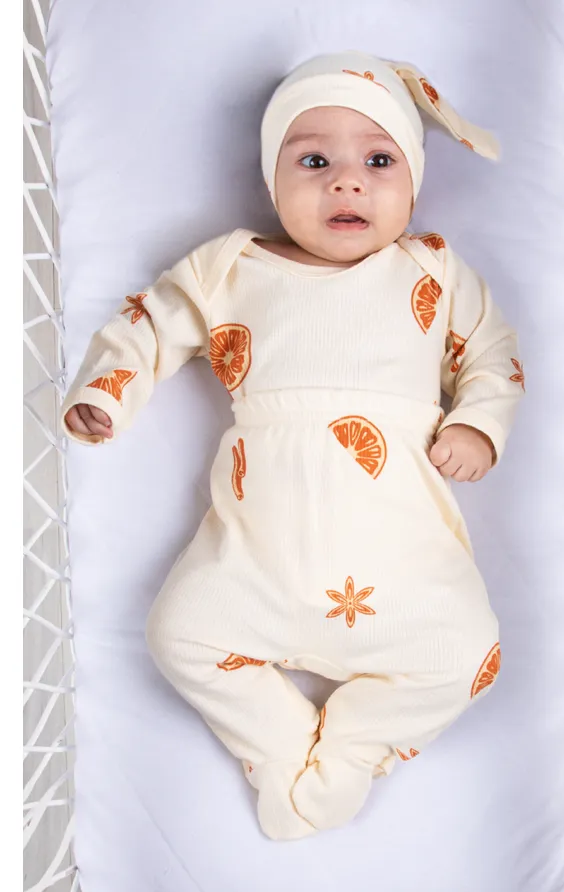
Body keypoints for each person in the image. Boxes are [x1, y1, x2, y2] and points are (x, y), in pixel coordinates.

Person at [61, 51, 525, 841]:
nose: (347, 183)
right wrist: (107, 390)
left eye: (379, 162)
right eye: (314, 162)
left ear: (414, 183)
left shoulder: (433, 269)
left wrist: (477, 423)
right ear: (272, 180)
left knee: (469, 653)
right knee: (177, 635)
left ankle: (349, 751)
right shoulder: (231, 266)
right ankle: (282, 750)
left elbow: (493, 354)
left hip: (400, 551)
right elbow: (150, 322)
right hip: (257, 554)